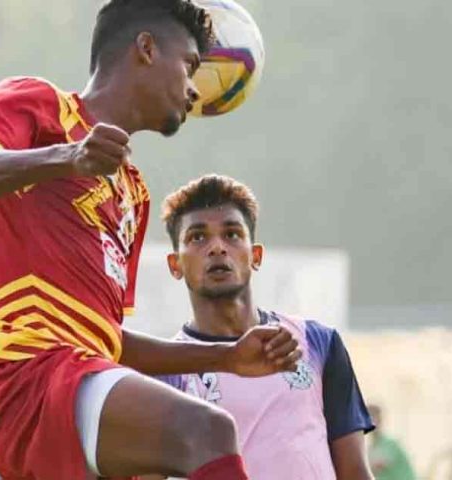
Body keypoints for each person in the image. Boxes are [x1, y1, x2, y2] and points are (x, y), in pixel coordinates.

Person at [0, 1, 302, 478]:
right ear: (147, 48)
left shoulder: (133, 192)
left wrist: (226, 357)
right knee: (205, 432)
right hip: (22, 373)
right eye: (190, 65)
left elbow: (109, 339)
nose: (194, 89)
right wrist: (68, 157)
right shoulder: (39, 103)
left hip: (80, 381)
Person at [145, 174, 376, 480]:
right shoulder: (166, 374)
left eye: (232, 234)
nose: (217, 248)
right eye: (198, 237)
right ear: (175, 265)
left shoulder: (318, 342)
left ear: (255, 256)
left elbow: (356, 472)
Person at [367, 404, 417, 480]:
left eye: (374, 417)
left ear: (380, 419)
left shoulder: (390, 444)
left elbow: (378, 464)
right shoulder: (372, 447)